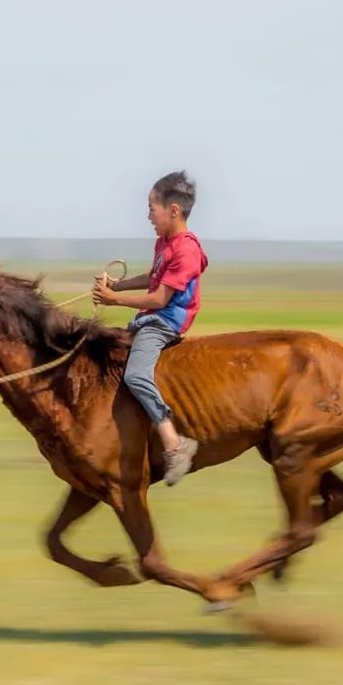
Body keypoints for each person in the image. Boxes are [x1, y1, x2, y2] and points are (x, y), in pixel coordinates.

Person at [92, 170, 209, 486]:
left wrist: (113, 299)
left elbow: (159, 297)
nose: (148, 216)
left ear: (173, 210)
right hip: (148, 318)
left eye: (151, 208)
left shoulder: (186, 250)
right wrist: (119, 284)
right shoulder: (165, 243)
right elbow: (153, 277)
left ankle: (175, 443)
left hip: (163, 323)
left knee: (135, 375)